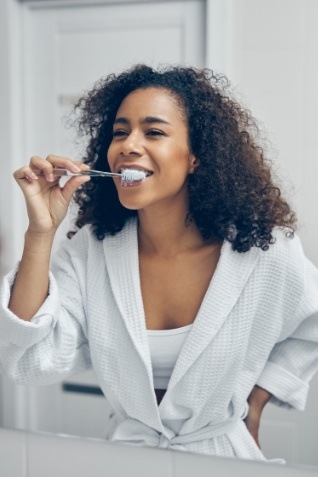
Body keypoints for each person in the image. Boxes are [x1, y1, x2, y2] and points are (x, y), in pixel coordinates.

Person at [1, 64, 318, 462]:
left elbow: (312, 325)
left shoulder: (264, 251)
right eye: (120, 132)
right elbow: (30, 361)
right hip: (128, 459)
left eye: (153, 132)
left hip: (225, 457)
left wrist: (255, 403)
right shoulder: (89, 251)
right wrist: (40, 232)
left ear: (195, 158)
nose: (128, 145)